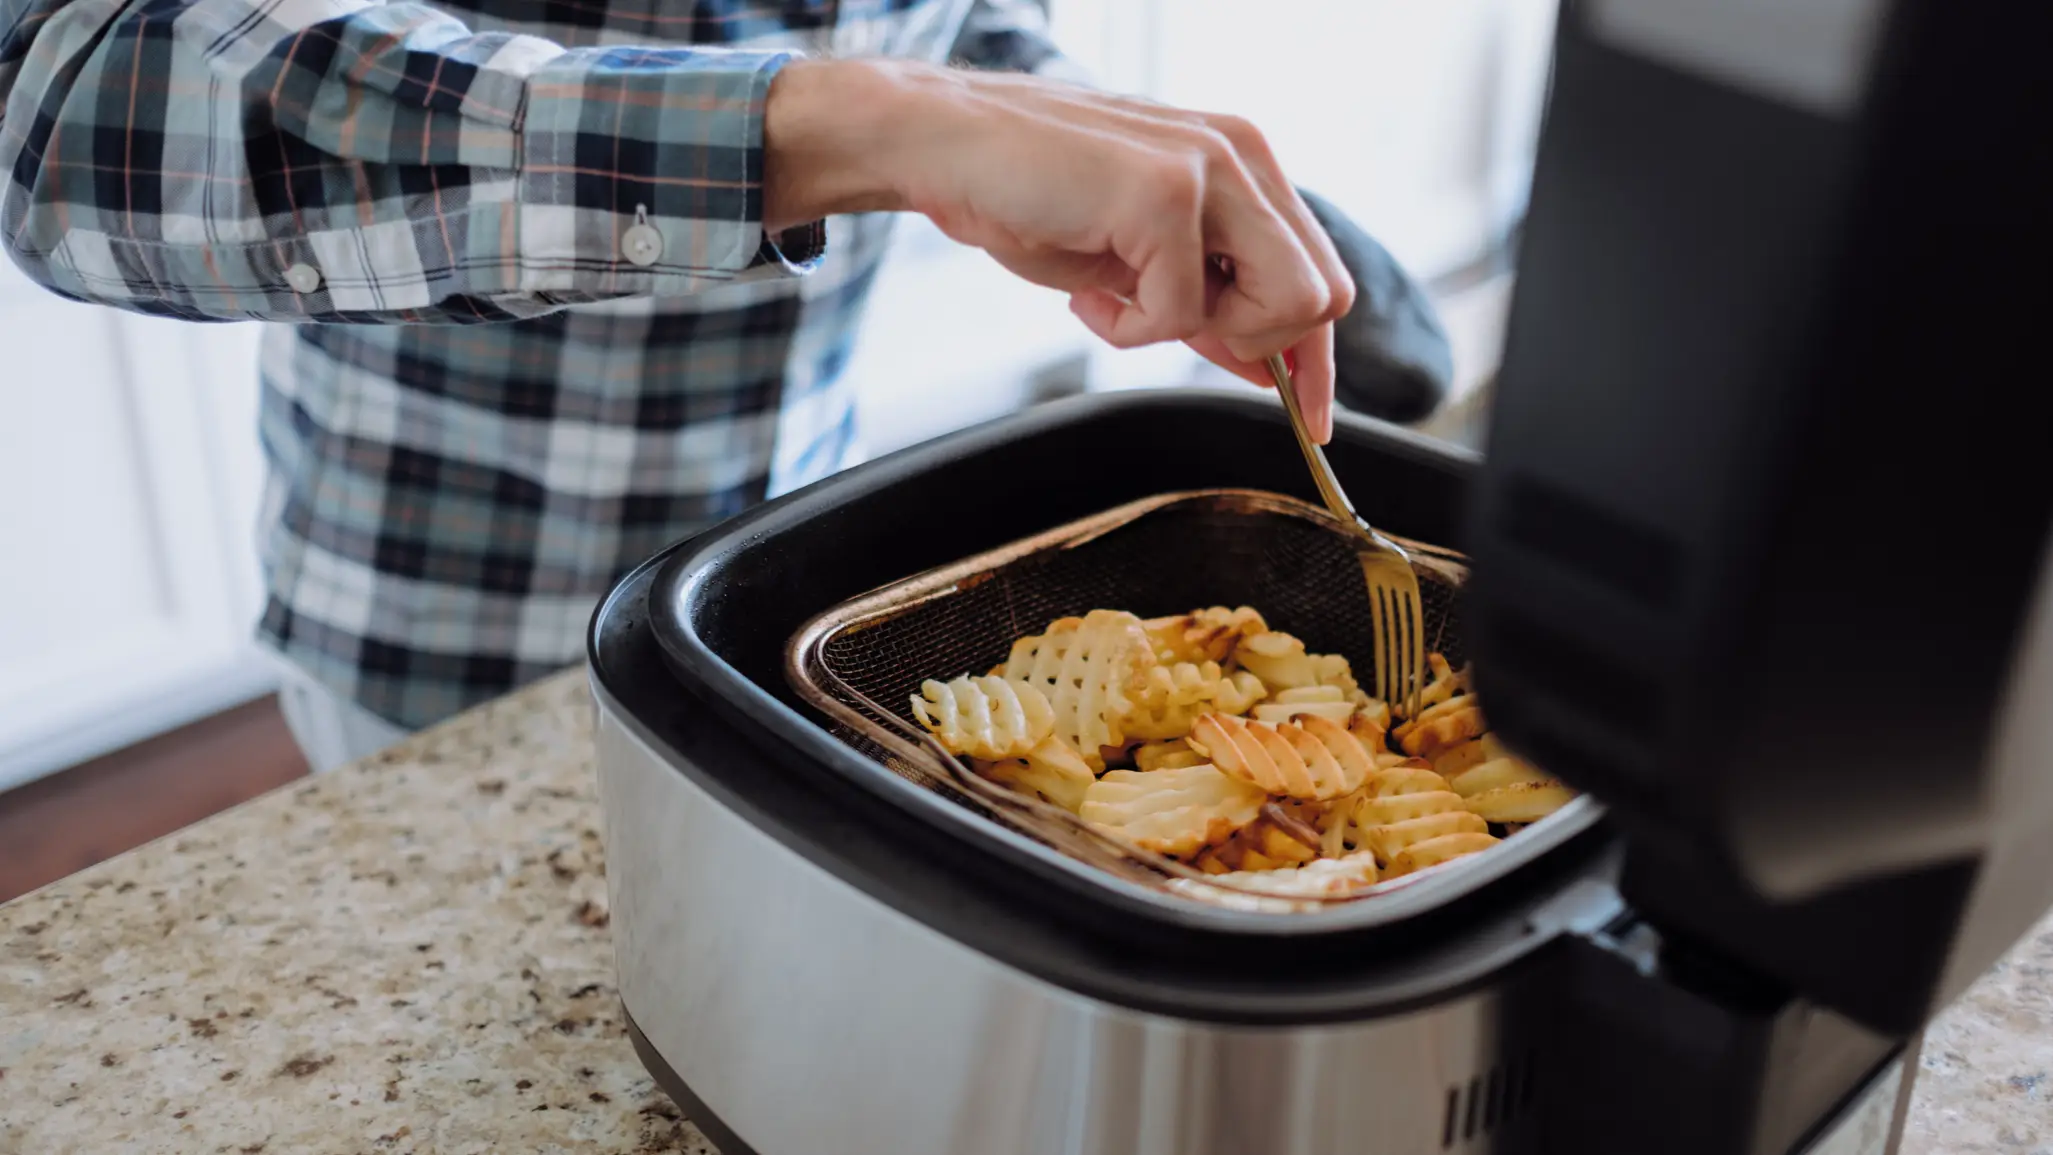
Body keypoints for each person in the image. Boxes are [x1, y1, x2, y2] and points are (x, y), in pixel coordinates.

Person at [1, 0, 1361, 771]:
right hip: (450, 633)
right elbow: (68, 110)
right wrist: (852, 126)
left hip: (789, 588)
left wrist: (1083, 132)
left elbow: (946, 22)